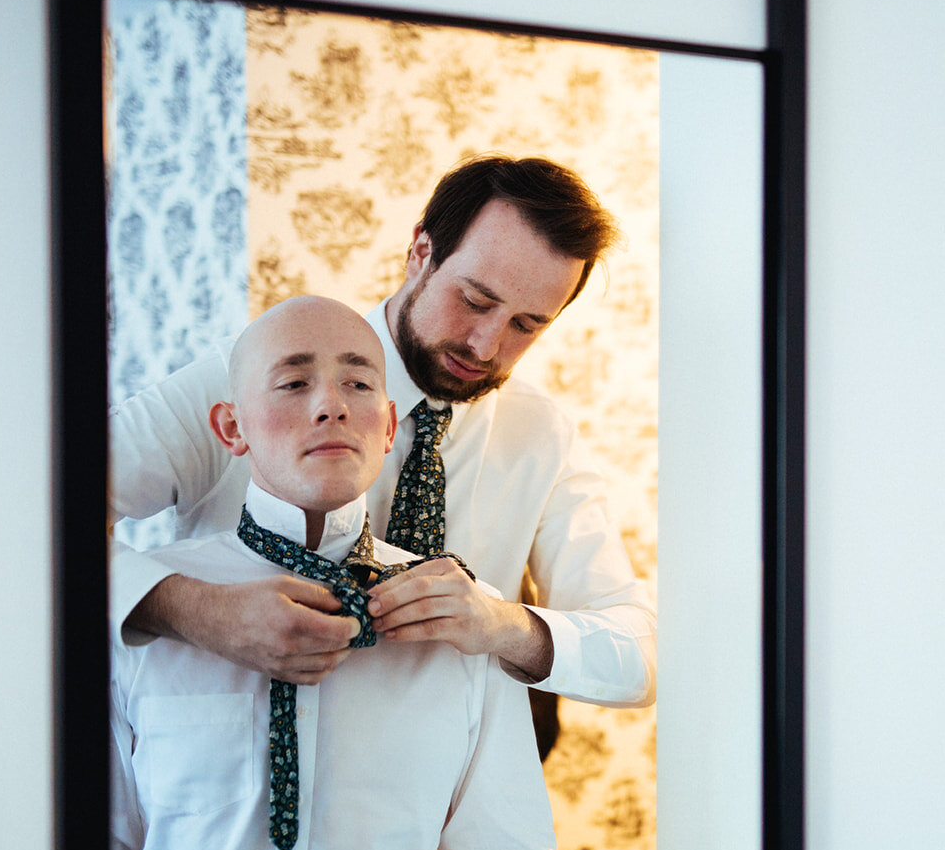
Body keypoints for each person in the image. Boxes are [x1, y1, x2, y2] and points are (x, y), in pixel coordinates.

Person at [111, 296, 555, 850]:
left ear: (388, 428)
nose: (330, 407)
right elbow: (102, 847)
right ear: (231, 427)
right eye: (292, 383)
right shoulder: (145, 616)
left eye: (357, 384)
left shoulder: (462, 618)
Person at [109, 155, 654, 706]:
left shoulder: (541, 434)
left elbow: (641, 656)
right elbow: (42, 519)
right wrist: (194, 611)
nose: (485, 346)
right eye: (475, 300)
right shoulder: (248, 382)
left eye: (526, 325)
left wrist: (503, 624)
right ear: (421, 252)